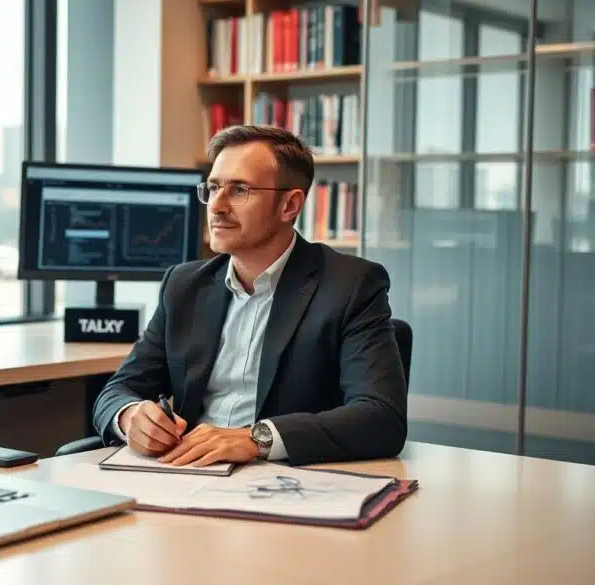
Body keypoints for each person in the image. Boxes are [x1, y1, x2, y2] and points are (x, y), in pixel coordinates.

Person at [91, 125, 407, 467]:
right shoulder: (184, 285)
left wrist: (256, 438)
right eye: (213, 188)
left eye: (240, 190)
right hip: (184, 472)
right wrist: (130, 416)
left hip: (282, 482)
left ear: (290, 205)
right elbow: (117, 391)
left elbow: (381, 417)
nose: (217, 206)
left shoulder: (351, 285)